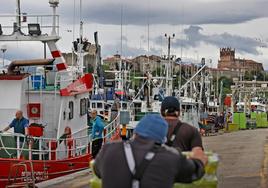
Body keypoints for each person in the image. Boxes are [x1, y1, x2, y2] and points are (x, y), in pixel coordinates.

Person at [94, 114, 207, 188]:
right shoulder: (172, 157)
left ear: (135, 132)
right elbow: (195, 173)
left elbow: (97, 171)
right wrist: (199, 159)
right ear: (162, 140)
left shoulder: (109, 150)